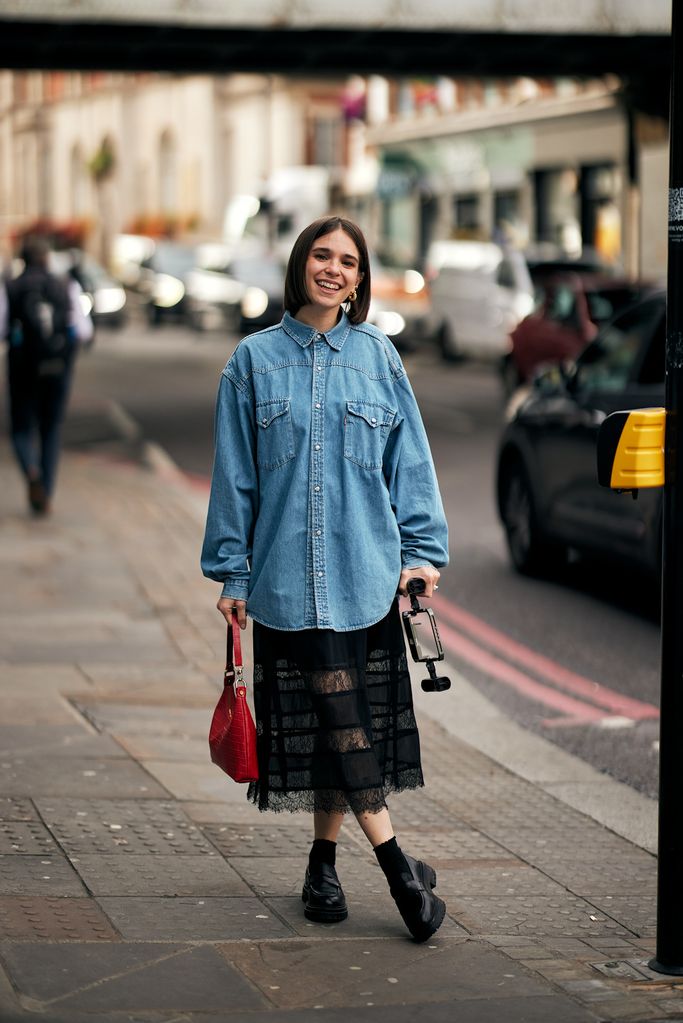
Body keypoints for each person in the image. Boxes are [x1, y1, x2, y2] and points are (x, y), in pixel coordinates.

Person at [201, 216, 449, 942]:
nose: (334, 269)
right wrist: (230, 574)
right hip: (282, 583)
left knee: (341, 732)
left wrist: (421, 551)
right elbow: (234, 479)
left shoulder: (380, 357)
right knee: (340, 722)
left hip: (365, 575)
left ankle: (321, 863)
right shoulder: (250, 361)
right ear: (300, 264)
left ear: (360, 278)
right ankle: (401, 873)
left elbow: (410, 465)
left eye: (348, 261)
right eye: (322, 255)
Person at [4, 236, 93, 515]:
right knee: (51, 430)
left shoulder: (11, 286)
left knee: (20, 428)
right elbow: (83, 330)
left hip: (22, 370)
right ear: (47, 259)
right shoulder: (66, 285)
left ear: (23, 260)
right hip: (57, 369)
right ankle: (46, 492)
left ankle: (31, 472)